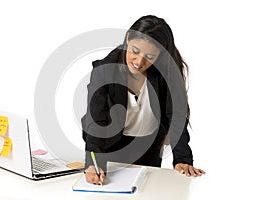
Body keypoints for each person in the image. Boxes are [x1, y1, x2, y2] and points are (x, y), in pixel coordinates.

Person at [81, 15, 205, 185]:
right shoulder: (104, 71)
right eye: (135, 51)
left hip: (149, 147)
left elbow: (176, 114)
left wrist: (182, 158)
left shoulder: (167, 71)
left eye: (150, 56)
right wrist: (93, 163)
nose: (139, 61)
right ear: (128, 38)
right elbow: (97, 121)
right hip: (110, 147)